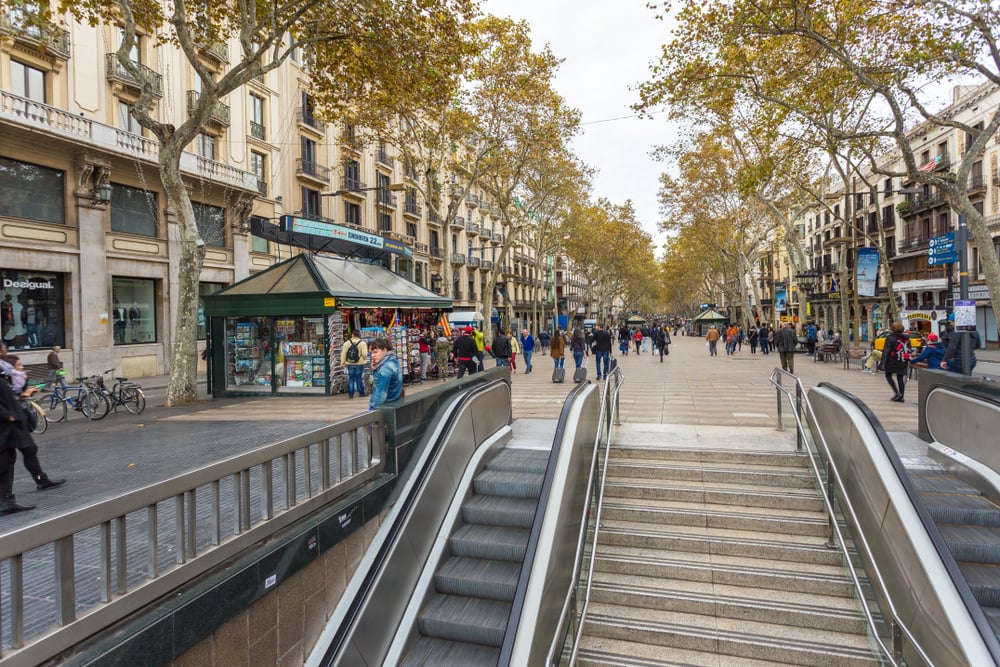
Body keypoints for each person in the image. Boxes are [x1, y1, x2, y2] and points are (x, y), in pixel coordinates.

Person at [0, 352, 65, 493]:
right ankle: (8, 498)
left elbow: (13, 394)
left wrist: (23, 390)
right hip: (10, 423)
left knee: (25, 451)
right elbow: (6, 399)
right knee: (8, 459)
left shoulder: (12, 377)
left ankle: (39, 480)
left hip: (15, 422)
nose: (21, 367)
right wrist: (11, 414)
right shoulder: (4, 376)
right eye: (18, 365)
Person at [368, 338, 403, 409]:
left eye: (375, 352)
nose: (372, 355)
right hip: (394, 404)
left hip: (386, 407)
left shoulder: (384, 369)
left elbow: (380, 395)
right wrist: (375, 369)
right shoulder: (393, 362)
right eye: (371, 353)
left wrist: (372, 410)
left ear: (384, 350)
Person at [882, 321, 910, 402]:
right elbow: (909, 349)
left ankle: (897, 393)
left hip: (892, 360)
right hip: (903, 360)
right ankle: (901, 395)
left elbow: (886, 351)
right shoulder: (906, 338)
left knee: (888, 375)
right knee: (900, 378)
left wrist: (883, 362)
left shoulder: (890, 338)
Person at [340, 331, 368, 399]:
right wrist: (363, 358)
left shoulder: (346, 343)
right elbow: (364, 354)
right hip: (359, 363)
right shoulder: (362, 343)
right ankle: (361, 393)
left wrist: (342, 362)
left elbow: (343, 353)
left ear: (352, 335)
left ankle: (351, 394)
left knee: (351, 378)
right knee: (359, 377)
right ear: (359, 335)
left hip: (350, 363)